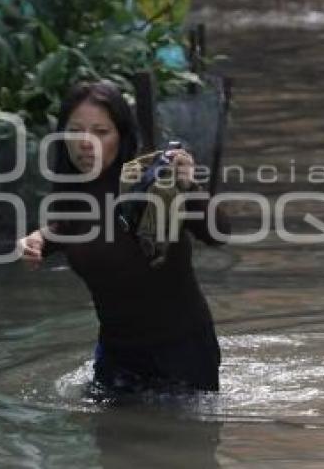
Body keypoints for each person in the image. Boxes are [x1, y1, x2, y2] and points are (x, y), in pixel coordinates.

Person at [18, 80, 231, 394]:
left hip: (182, 353)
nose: (85, 142)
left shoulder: (153, 181)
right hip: (117, 357)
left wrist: (190, 187)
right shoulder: (71, 194)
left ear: (121, 136)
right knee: (113, 440)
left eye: (101, 132)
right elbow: (71, 229)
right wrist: (36, 241)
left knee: (186, 442)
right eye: (76, 131)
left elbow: (218, 233)